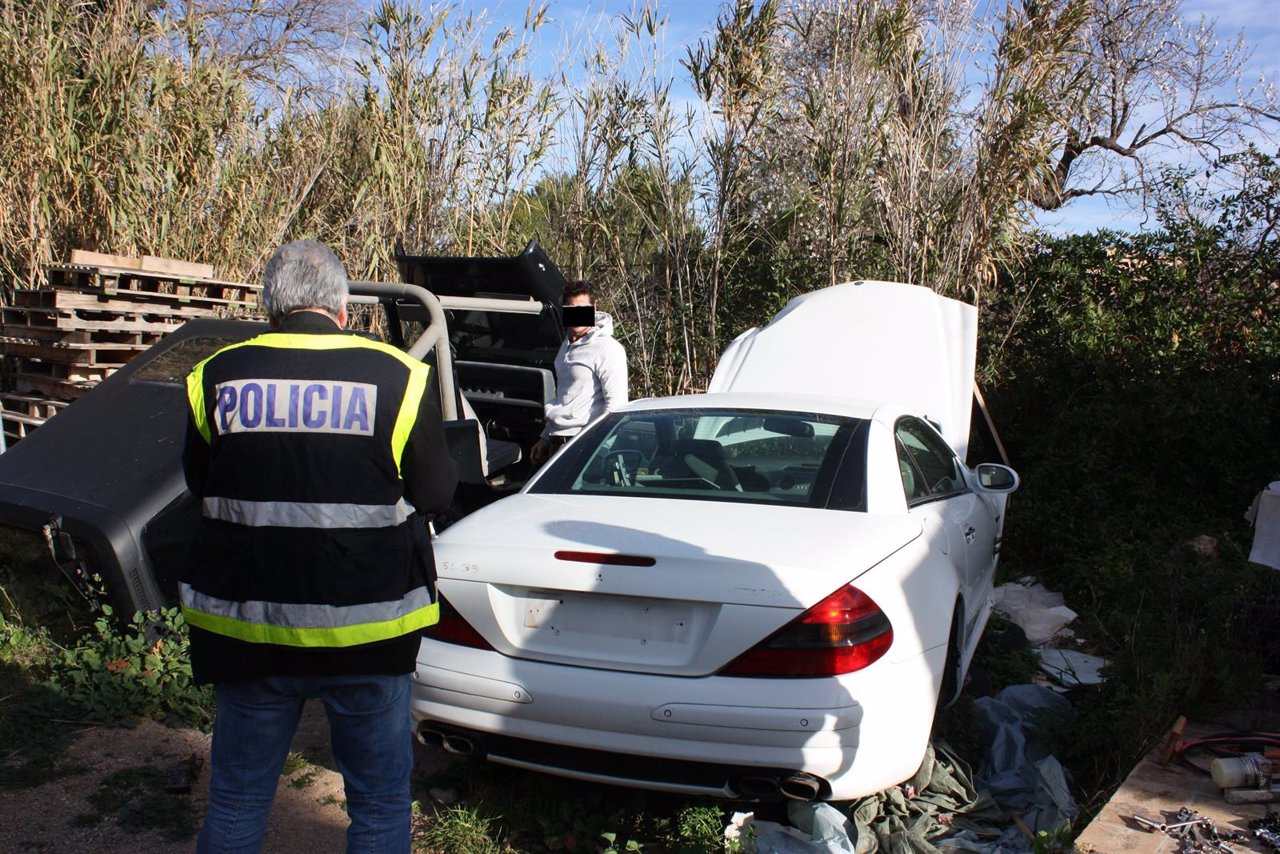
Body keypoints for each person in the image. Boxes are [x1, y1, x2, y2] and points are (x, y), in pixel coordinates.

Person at [180, 239, 457, 854]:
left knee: (238, 800)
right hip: (367, 631)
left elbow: (202, 485)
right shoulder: (400, 377)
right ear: (341, 306)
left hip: (251, 631)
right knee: (380, 805)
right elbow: (436, 493)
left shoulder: (217, 375)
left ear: (269, 306)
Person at [530, 280, 628, 466]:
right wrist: (545, 437)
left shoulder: (608, 348)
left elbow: (616, 406)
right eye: (571, 308)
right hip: (557, 443)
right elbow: (564, 397)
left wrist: (598, 449)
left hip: (584, 445)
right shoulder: (566, 345)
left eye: (582, 308)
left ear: (593, 307)